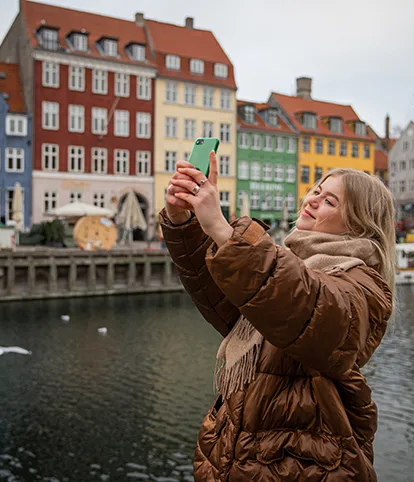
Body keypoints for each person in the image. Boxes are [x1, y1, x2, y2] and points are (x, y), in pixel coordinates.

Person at [160, 152, 395, 481]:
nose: (312, 199)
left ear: (358, 224)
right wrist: (183, 220)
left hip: (301, 467)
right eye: (316, 190)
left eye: (329, 201)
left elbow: (314, 311)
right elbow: (226, 299)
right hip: (242, 457)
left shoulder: (363, 284)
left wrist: (224, 231)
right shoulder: (288, 265)